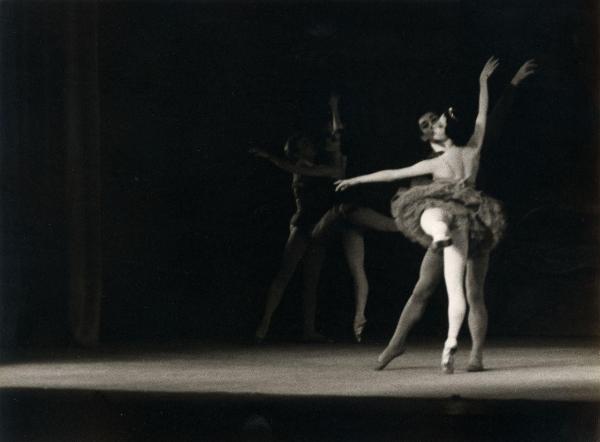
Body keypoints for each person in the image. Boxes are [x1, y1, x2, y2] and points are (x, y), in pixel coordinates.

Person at [336, 57, 532, 373]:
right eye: (432, 124)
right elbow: (482, 115)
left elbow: (391, 174)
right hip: (474, 220)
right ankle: (463, 354)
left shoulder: (441, 160)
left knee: (441, 290)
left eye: (438, 122)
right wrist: (484, 81)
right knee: (458, 291)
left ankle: (442, 350)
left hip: (459, 221)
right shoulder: (470, 150)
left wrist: (356, 179)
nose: (437, 123)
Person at [252, 95, 397, 343]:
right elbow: (300, 169)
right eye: (306, 143)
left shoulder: (326, 163)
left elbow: (336, 135)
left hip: (320, 225)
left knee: (312, 280)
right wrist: (272, 158)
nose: (313, 145)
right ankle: (264, 325)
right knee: (286, 274)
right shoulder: (303, 166)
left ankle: (309, 329)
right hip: (303, 224)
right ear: (298, 149)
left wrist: (334, 109)